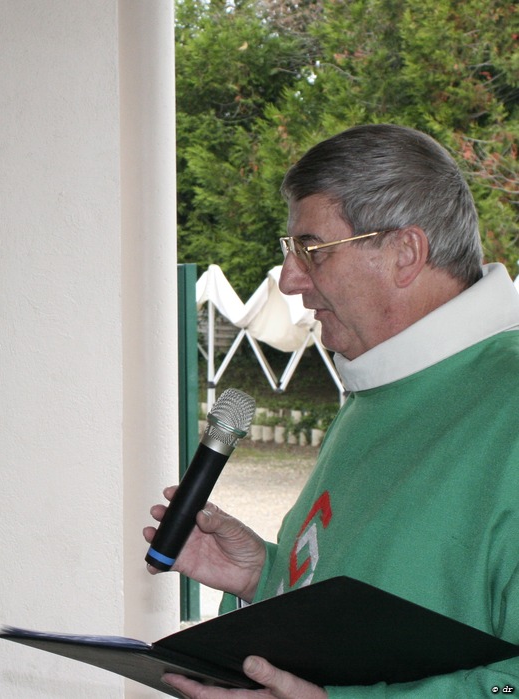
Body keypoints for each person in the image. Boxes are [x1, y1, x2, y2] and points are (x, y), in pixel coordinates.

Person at [145, 124, 519, 698]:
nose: (291, 280)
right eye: (290, 251)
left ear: (405, 252)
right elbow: (386, 602)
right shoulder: (383, 381)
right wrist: (263, 577)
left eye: (311, 250)